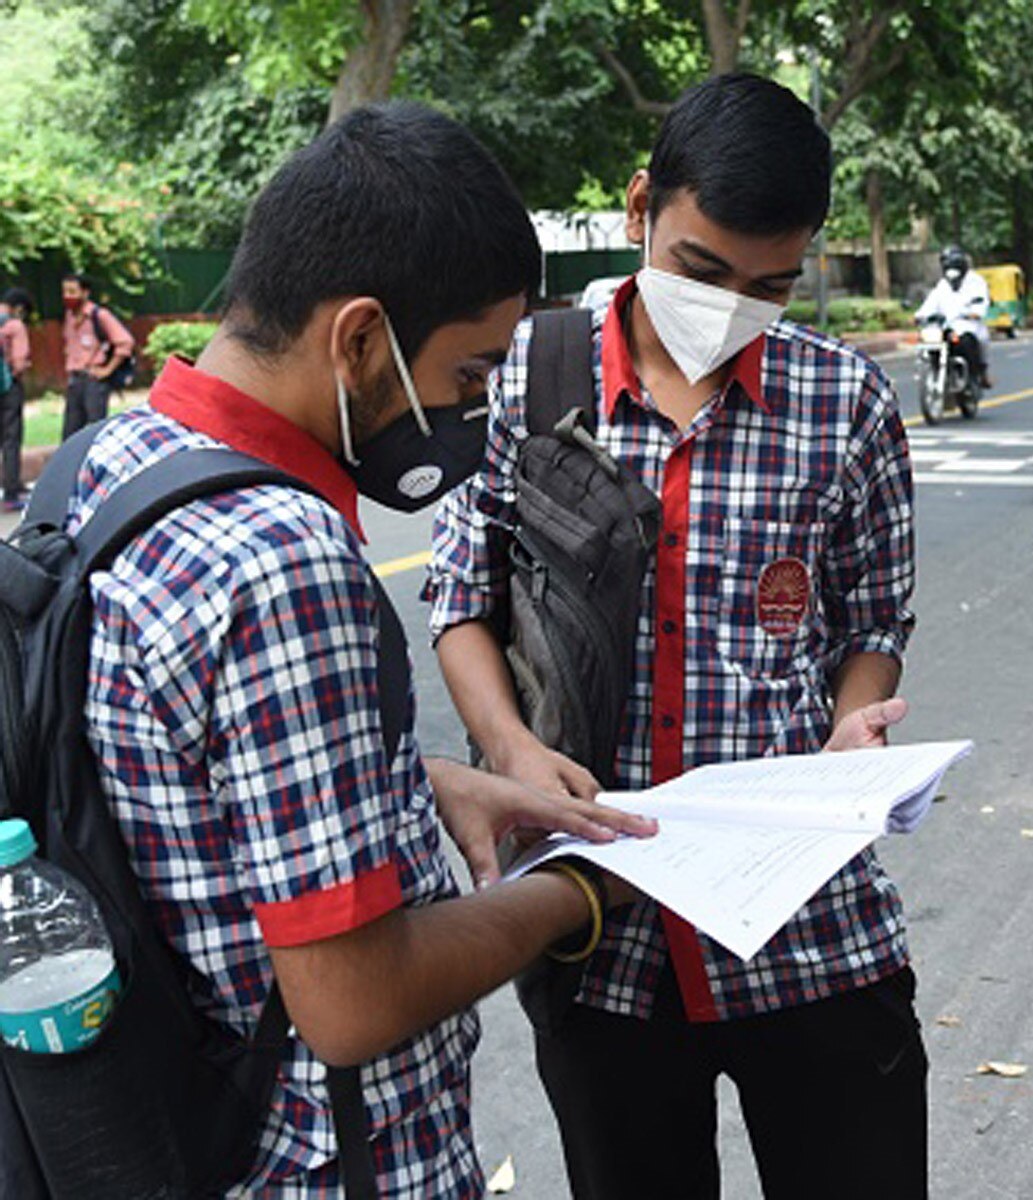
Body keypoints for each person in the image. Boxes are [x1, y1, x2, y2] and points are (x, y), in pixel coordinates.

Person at [62, 102, 654, 1196]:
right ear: (362, 338)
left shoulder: (108, 464)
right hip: (330, 1163)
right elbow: (352, 1002)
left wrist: (422, 783)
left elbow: (171, 764)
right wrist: (587, 889)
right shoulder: (283, 562)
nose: (473, 412)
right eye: (468, 377)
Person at [426, 73, 925, 1200]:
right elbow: (461, 598)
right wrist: (509, 748)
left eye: (770, 285)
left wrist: (853, 737)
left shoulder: (845, 403)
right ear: (641, 205)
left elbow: (871, 621)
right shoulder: (524, 374)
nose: (731, 304)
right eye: (702, 268)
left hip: (809, 929)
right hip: (603, 937)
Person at [60, 272, 135, 440]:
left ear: (85, 293)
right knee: (70, 433)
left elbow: (125, 342)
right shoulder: (69, 316)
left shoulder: (99, 315)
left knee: (94, 431)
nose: (67, 296)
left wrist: (107, 370)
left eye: (72, 292)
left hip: (94, 380)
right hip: (75, 379)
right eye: (65, 292)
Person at [915, 244, 993, 388]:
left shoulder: (976, 282)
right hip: (945, 327)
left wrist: (974, 312)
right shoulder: (942, 285)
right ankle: (937, 371)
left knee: (976, 341)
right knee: (929, 343)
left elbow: (981, 302)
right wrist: (920, 315)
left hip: (968, 326)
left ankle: (978, 374)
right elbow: (931, 303)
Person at [0, 287, 33, 512]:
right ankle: (11, 492)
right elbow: (19, 361)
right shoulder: (14, 325)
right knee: (11, 438)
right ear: (19, 308)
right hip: (8, 388)